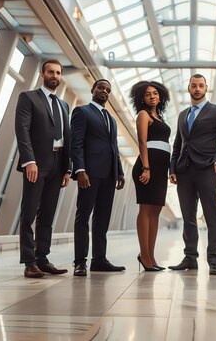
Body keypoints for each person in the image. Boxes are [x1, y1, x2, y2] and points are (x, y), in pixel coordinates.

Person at [168, 74, 216, 275]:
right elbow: (178, 144)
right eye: (193, 86)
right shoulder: (183, 115)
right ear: (188, 88)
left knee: (211, 214)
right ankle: (190, 258)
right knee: (188, 216)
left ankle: (214, 260)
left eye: (201, 86)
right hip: (184, 171)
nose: (197, 89)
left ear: (206, 88)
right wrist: (172, 168)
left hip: (207, 168)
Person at [15, 59, 71, 278]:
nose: (54, 76)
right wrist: (29, 161)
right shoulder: (28, 98)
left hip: (58, 165)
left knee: (47, 215)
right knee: (29, 213)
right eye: (50, 72)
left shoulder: (64, 105)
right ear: (42, 74)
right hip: (37, 164)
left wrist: (68, 169)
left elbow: (67, 138)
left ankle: (42, 258)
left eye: (58, 72)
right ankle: (29, 262)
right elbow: (22, 130)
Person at [70, 79, 126, 276]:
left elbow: (114, 147)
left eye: (108, 90)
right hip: (90, 173)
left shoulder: (111, 118)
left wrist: (119, 171)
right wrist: (80, 170)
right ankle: (79, 262)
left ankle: (99, 259)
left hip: (109, 175)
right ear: (93, 89)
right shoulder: (81, 112)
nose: (104, 91)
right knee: (83, 217)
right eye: (101, 87)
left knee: (102, 219)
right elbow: (76, 143)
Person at [130, 81, 171, 272]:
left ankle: (151, 256)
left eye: (155, 93)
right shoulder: (143, 115)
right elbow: (142, 142)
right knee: (145, 210)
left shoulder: (159, 117)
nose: (152, 96)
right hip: (148, 166)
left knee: (155, 211)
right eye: (148, 94)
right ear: (142, 98)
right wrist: (146, 168)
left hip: (161, 168)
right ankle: (144, 256)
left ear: (160, 96)